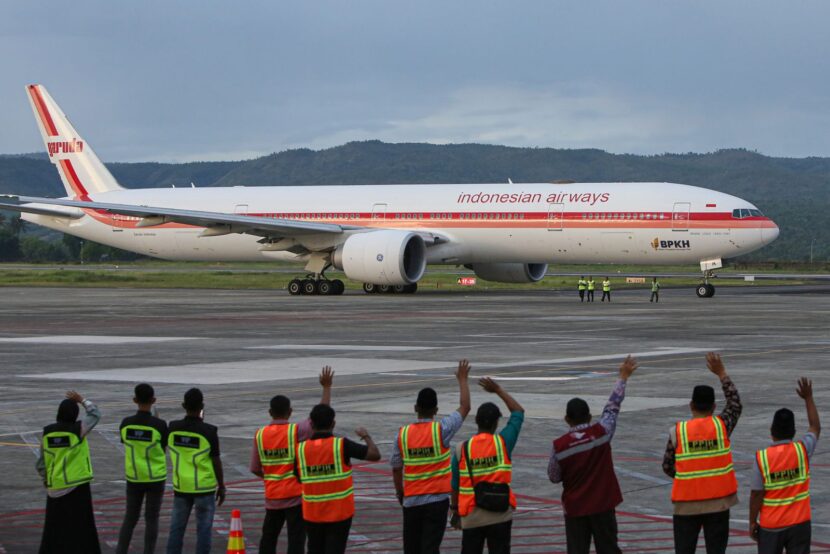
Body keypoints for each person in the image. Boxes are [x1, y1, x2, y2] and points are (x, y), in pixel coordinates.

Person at [549, 356, 638, 554]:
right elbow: (613, 407)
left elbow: (554, 477)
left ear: (567, 419)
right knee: (608, 548)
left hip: (576, 508)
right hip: (602, 504)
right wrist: (623, 377)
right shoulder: (602, 433)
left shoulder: (559, 446)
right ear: (589, 417)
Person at [663, 353, 742, 554]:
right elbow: (735, 405)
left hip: (686, 505)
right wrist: (722, 373)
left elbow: (667, 466)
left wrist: (688, 477)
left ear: (691, 405)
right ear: (714, 407)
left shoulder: (678, 431)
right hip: (718, 503)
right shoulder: (721, 426)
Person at [251, 366, 334, 554]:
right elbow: (322, 415)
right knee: (296, 539)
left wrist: (271, 478)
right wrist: (326, 388)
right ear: (290, 412)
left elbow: (255, 468)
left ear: (269, 412)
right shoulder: (295, 431)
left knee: (268, 538)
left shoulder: (260, 434)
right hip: (295, 496)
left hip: (272, 496)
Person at [391, 360, 472, 554]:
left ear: (415, 408)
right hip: (436, 502)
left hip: (411, 501)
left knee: (411, 548)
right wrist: (462, 380)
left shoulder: (402, 434)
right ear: (436, 411)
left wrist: (400, 491)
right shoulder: (441, 430)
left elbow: (396, 466)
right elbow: (465, 407)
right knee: (430, 548)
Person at [451, 378, 525, 554]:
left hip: (472, 516)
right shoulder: (503, 443)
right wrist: (498, 390)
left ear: (476, 421)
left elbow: (455, 486)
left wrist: (455, 512)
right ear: (496, 423)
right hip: (500, 514)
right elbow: (518, 412)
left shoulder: (462, 449)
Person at [295, 403, 381, 554]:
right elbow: (374, 454)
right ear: (333, 423)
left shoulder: (300, 449)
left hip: (313, 514)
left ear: (311, 424)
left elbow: (299, 477)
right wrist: (366, 436)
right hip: (339, 514)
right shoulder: (342, 445)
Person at [750, 378, 820, 554]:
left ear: (771, 431)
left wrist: (752, 521)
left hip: (772, 525)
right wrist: (808, 398)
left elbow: (757, 494)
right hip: (799, 523)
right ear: (794, 432)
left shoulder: (762, 458)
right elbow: (815, 427)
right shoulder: (802, 450)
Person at [37, 390, 102, 554]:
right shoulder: (77, 430)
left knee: (55, 529)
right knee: (80, 527)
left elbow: (40, 464)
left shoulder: (47, 432)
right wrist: (82, 400)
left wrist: (47, 479)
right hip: (76, 485)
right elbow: (95, 414)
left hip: (55, 487)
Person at [166, 388, 225, 554]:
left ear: (183, 405)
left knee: (176, 529)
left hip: (181, 486)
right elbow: (216, 460)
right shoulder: (209, 431)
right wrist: (221, 485)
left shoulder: (173, 428)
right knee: (204, 531)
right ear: (202, 406)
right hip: (204, 487)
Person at [116, 383, 169, 554]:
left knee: (130, 518)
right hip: (155, 477)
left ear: (134, 400)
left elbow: (125, 442)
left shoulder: (126, 424)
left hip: (134, 477)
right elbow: (162, 448)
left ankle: (121, 550)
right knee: (151, 519)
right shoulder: (160, 425)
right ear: (153, 400)